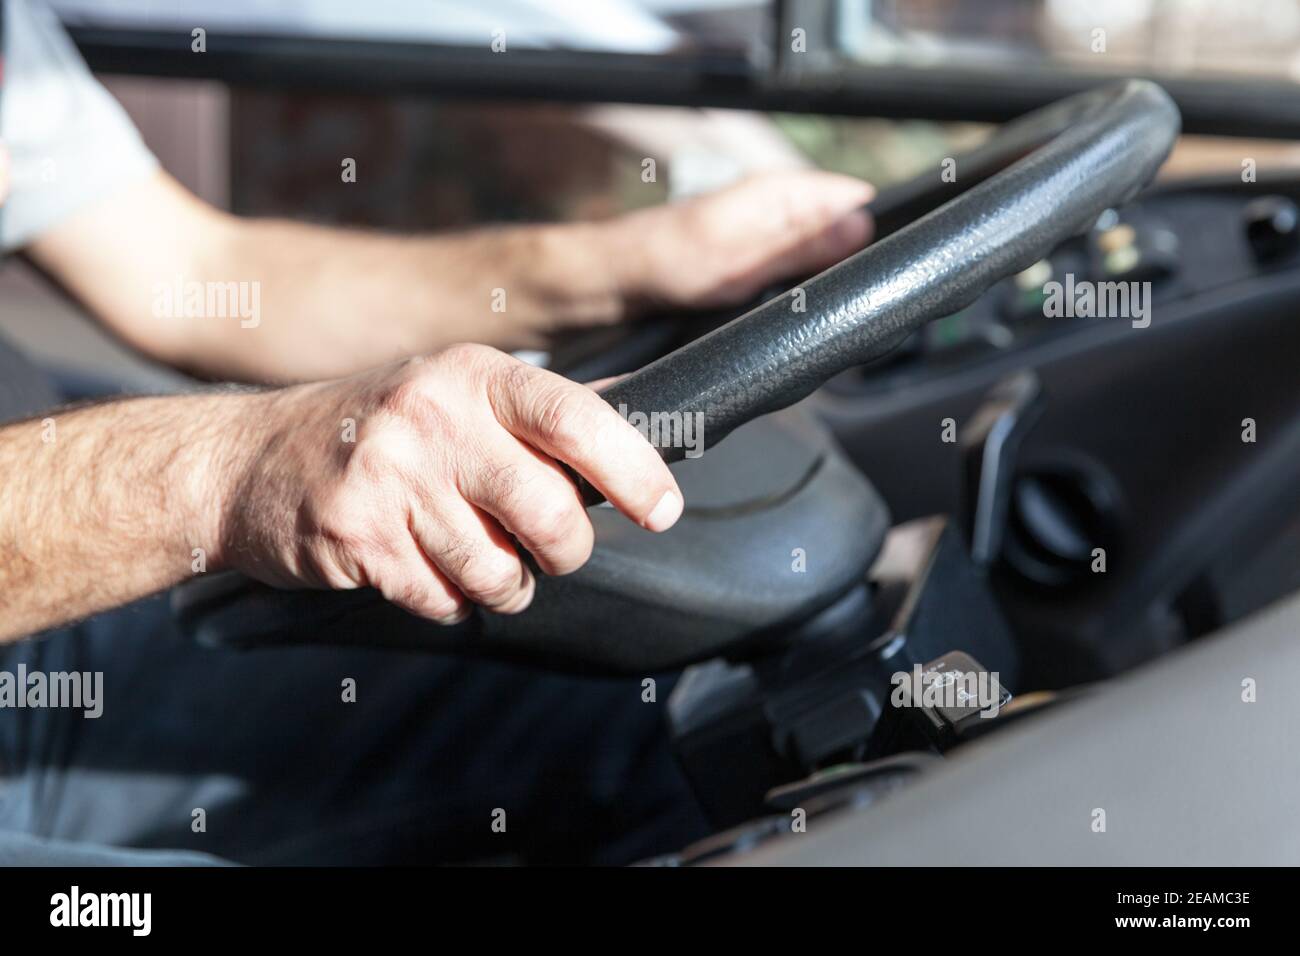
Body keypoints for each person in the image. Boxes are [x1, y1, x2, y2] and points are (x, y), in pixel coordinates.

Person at [0, 0, 874, 864]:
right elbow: (229, 436)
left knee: (671, 722)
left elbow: (192, 270)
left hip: (68, 630)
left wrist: (628, 264)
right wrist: (238, 469)